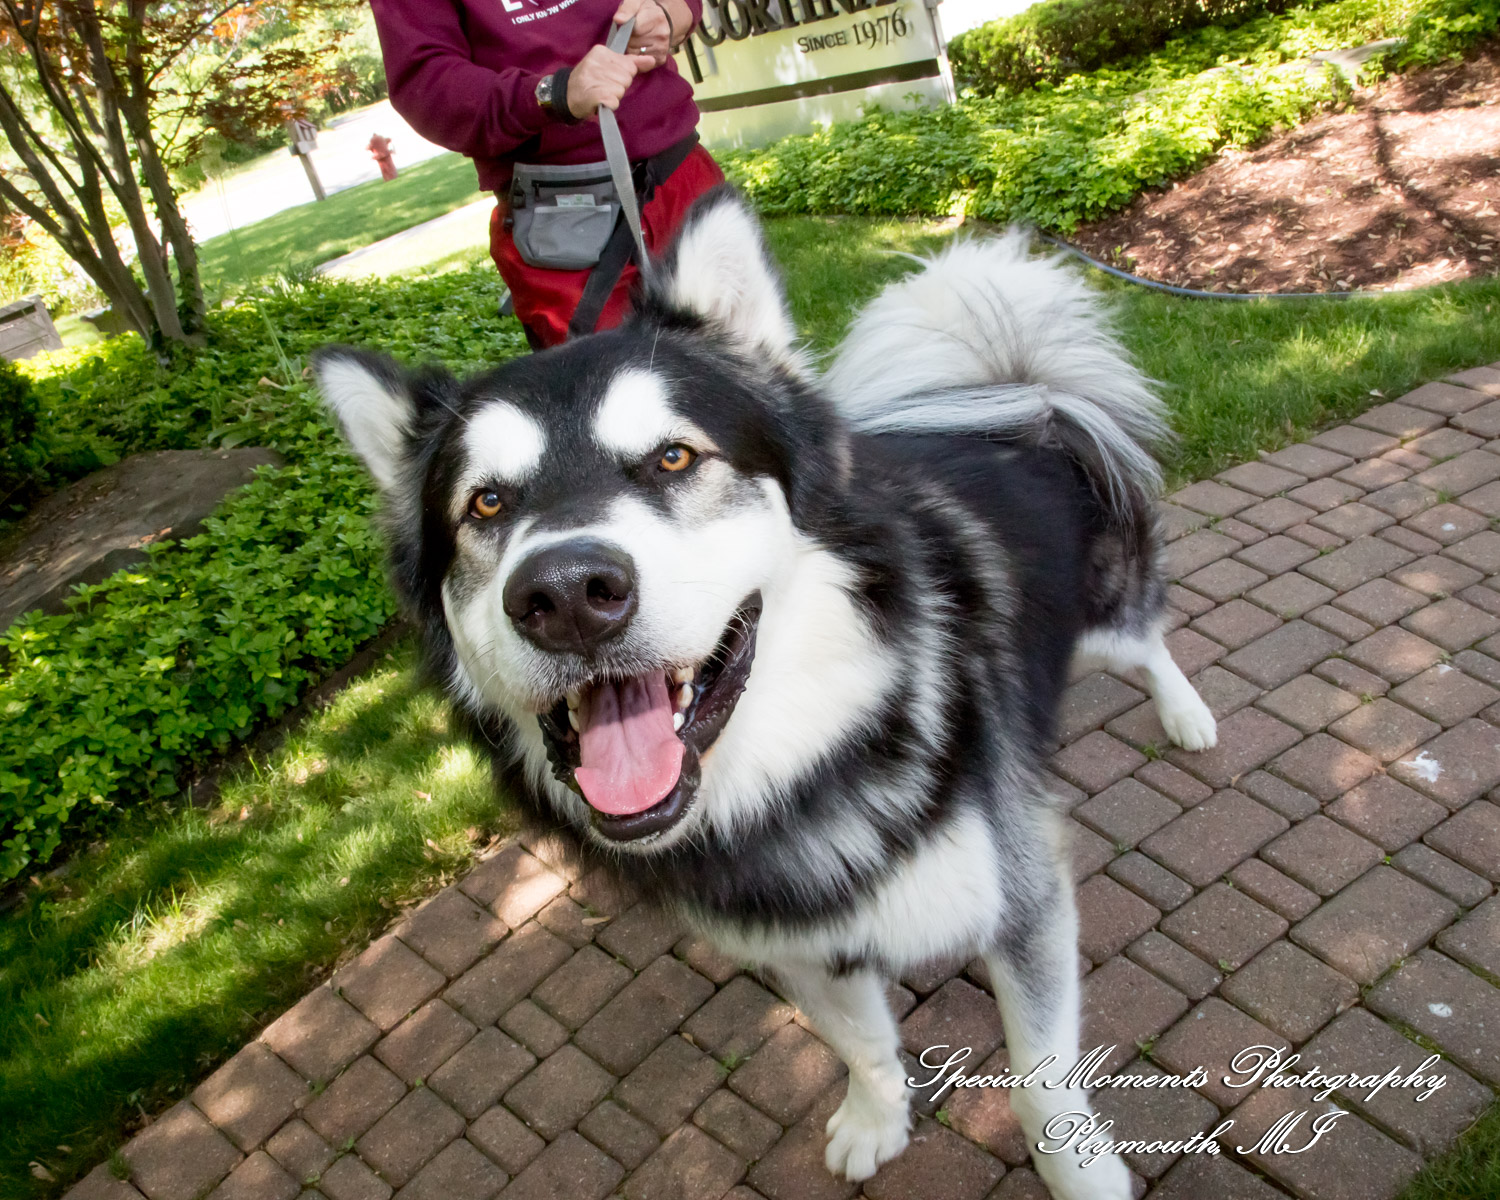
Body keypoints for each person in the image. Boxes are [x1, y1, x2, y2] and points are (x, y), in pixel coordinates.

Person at [370, 0, 723, 349]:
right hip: (565, 222)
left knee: (752, 366)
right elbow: (428, 86)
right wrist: (554, 94)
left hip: (683, 172)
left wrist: (667, 14)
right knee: (616, 391)